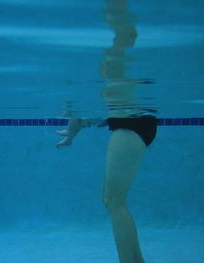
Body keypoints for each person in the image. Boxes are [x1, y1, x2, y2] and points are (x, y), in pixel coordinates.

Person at [56, 1, 158, 262]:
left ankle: (122, 29)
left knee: (114, 200)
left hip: (131, 125)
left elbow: (116, 111)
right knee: (113, 200)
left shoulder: (116, 82)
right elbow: (108, 114)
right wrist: (79, 125)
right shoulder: (116, 92)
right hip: (132, 123)